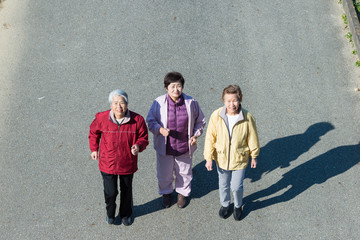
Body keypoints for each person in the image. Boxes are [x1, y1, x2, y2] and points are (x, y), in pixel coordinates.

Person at [88, 89, 149, 226]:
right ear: (111, 105)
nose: (118, 106)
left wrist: (138, 146)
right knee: (111, 192)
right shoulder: (102, 118)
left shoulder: (137, 120)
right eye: (115, 103)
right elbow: (93, 133)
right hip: (107, 163)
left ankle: (126, 214)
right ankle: (110, 213)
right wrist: (94, 148)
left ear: (127, 104)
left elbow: (143, 137)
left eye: (122, 103)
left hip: (127, 162)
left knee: (126, 191)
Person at [146, 72, 206, 208]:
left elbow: (201, 121)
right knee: (164, 173)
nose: (176, 90)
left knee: (184, 172)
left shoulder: (191, 102)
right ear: (166, 88)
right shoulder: (158, 102)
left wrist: (195, 135)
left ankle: (182, 194)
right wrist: (160, 130)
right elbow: (150, 120)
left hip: (184, 146)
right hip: (165, 146)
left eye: (179, 86)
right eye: (172, 86)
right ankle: (166, 193)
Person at [203, 84, 260, 221]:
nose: (232, 104)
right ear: (223, 100)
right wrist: (208, 158)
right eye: (228, 101)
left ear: (239, 100)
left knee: (236, 186)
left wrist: (254, 155)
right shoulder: (216, 116)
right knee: (223, 184)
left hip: (240, 159)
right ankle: (225, 204)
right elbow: (210, 137)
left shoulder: (247, 117)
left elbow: (252, 137)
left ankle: (238, 205)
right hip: (222, 158)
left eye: (235, 100)